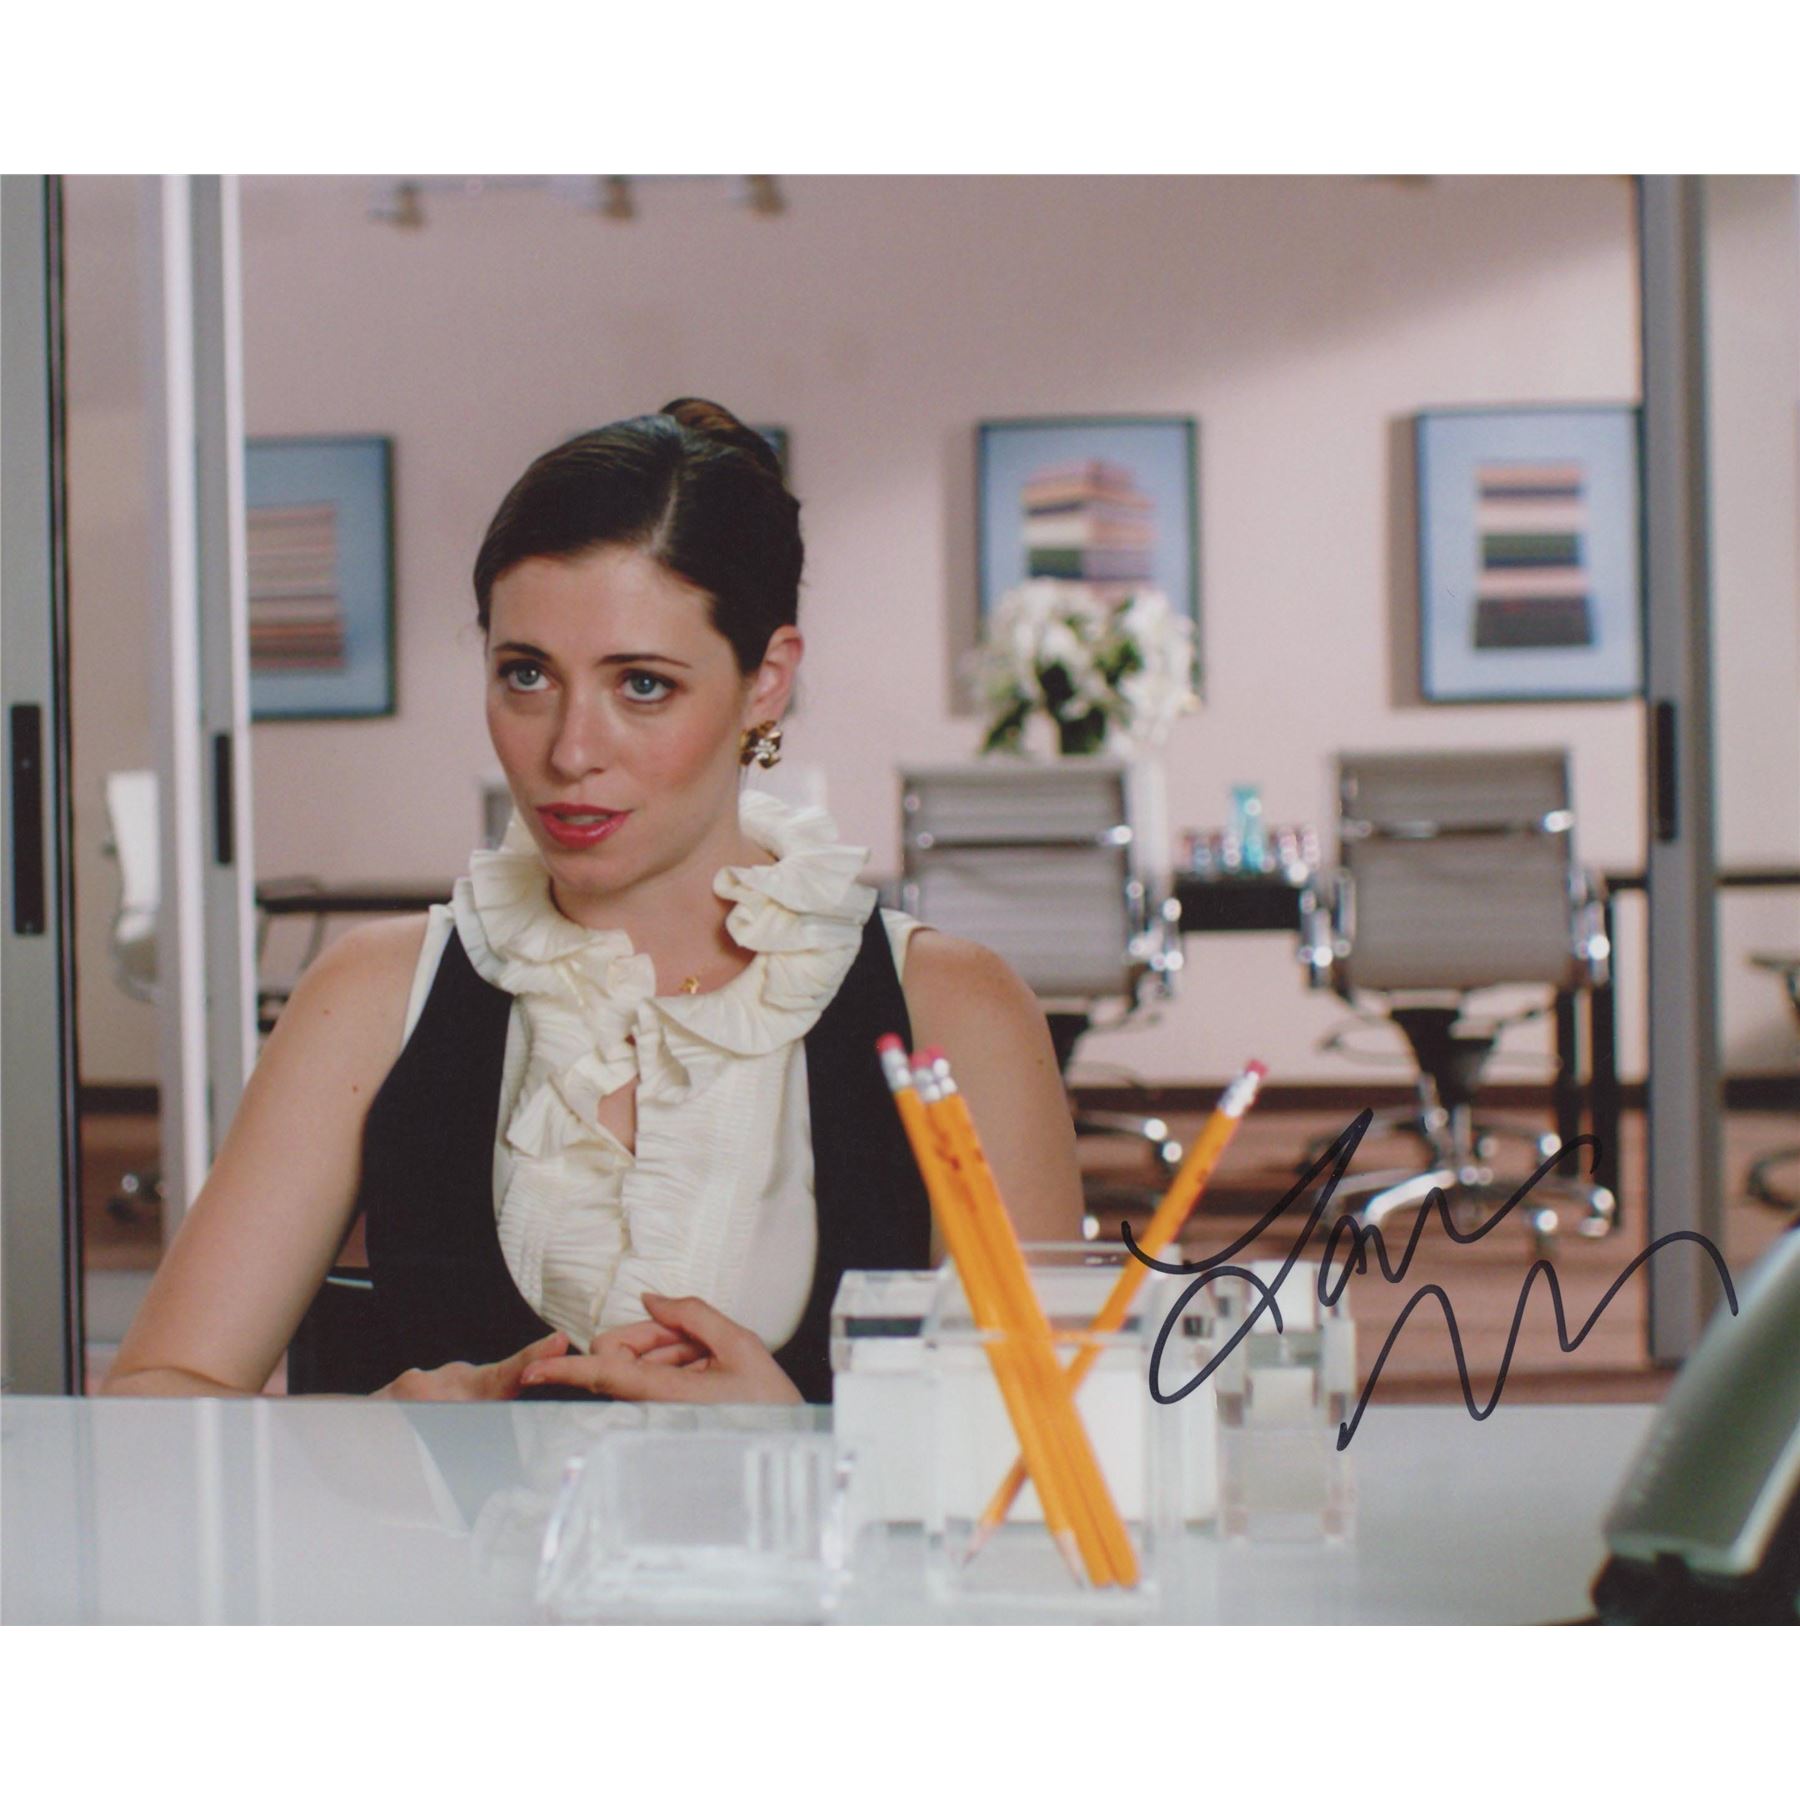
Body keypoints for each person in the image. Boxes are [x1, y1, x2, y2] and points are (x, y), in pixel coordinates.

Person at [104, 398, 1083, 1406]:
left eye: (643, 685)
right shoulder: (371, 994)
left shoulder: (953, 1011)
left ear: (766, 682)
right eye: (526, 675)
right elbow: (148, 1399)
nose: (570, 751)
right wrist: (362, 1443)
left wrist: (802, 1450)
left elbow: (1059, 1457)